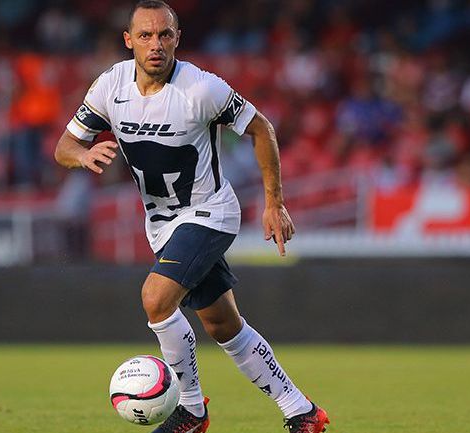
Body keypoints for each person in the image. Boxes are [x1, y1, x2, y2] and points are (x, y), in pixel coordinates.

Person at [54, 2, 330, 433]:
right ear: (129, 41)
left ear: (177, 38)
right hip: (162, 226)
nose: (155, 44)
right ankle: (302, 412)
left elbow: (262, 129)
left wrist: (275, 203)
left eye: (164, 34)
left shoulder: (201, 89)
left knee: (155, 298)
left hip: (210, 213)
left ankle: (191, 409)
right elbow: (64, 147)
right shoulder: (110, 87)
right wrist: (84, 154)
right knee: (224, 325)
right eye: (145, 36)